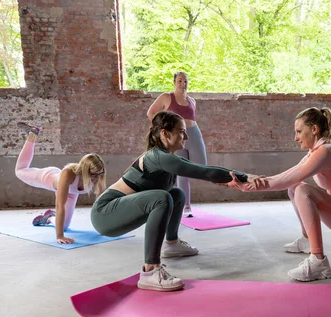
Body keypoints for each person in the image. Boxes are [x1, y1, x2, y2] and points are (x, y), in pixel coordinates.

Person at [91, 111, 256, 292]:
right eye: (181, 131)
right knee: (161, 198)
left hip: (115, 211)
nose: (185, 136)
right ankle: (150, 271)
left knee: (176, 194)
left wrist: (228, 179)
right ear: (165, 133)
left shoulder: (167, 158)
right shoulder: (158, 157)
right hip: (105, 214)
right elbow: (205, 171)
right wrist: (247, 177)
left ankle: (172, 244)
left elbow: (207, 173)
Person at [225, 107, 331, 282]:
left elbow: (288, 179)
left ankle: (318, 262)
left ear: (314, 129)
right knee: (295, 187)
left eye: (299, 131)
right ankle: (307, 240)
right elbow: (288, 176)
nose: (295, 137)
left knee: (302, 190)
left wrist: (248, 187)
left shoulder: (326, 151)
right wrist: (250, 181)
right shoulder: (315, 151)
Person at [14, 122, 106, 244]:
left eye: (99, 174)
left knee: (64, 227)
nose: (96, 178)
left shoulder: (98, 175)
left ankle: (49, 217)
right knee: (20, 171)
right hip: (48, 178)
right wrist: (59, 236)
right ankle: (32, 136)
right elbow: (60, 205)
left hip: (71, 193)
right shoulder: (68, 172)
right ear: (84, 171)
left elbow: (101, 204)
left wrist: (105, 227)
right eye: (93, 175)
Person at [147, 71, 207, 217]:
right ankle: (186, 206)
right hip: (175, 135)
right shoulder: (166, 97)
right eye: (180, 81)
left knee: (202, 164)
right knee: (181, 171)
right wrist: (163, 131)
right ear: (174, 82)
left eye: (185, 81)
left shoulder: (192, 100)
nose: (183, 84)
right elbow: (151, 113)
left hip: (193, 132)